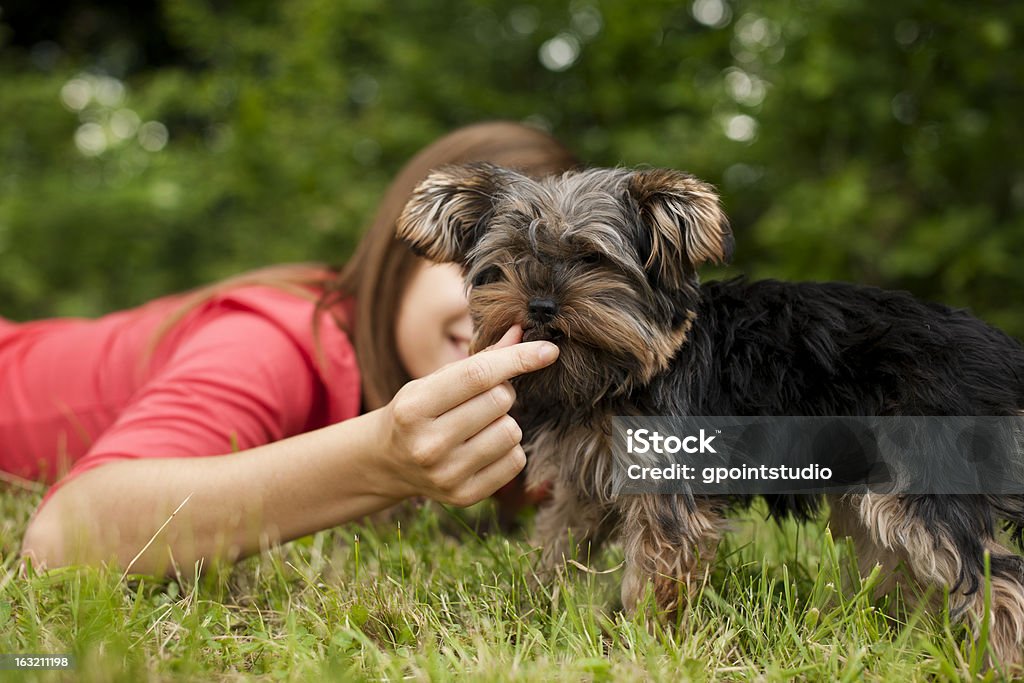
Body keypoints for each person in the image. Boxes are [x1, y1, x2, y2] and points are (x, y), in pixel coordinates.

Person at [3, 121, 578, 575]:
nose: (524, 308)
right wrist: (380, 457)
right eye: (487, 266)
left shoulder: (537, 402)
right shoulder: (278, 340)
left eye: (573, 273)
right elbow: (61, 538)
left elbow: (656, 458)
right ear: (404, 253)